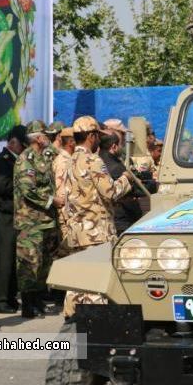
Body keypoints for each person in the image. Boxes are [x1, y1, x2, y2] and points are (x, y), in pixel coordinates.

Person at [61, 116, 133, 317]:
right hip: (96, 233)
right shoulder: (93, 160)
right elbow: (110, 192)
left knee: (77, 280)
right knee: (96, 282)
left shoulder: (69, 160)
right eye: (97, 136)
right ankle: (98, 322)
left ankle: (71, 316)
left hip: (76, 232)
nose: (99, 140)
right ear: (91, 136)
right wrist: (125, 179)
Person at [13, 121, 59, 318]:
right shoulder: (25, 159)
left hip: (46, 220)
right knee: (29, 263)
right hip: (29, 223)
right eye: (46, 135)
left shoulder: (45, 155)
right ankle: (28, 304)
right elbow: (28, 190)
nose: (49, 138)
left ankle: (38, 300)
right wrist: (52, 200)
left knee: (43, 264)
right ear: (38, 138)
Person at [0, 125, 28, 314]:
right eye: (23, 145)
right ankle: (0, 300)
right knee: (4, 260)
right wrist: (25, 184)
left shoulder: (17, 161)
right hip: (4, 216)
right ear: (13, 143)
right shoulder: (2, 162)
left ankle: (10, 298)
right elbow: (3, 186)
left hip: (16, 216)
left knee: (13, 260)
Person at [52, 127, 76, 258]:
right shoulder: (63, 162)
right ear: (71, 142)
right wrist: (67, 219)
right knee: (67, 255)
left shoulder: (69, 159)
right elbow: (61, 196)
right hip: (66, 217)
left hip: (69, 216)